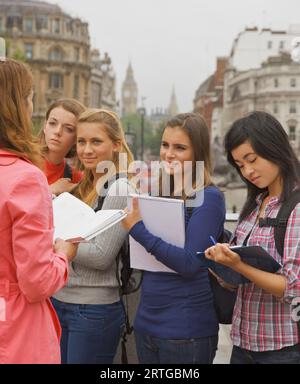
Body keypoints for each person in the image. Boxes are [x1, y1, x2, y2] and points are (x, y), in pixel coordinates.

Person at [122, 113, 226, 364]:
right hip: (147, 323)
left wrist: (138, 230)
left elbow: (191, 264)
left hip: (185, 330)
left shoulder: (208, 197)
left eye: (180, 147)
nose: (168, 154)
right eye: (165, 144)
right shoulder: (159, 194)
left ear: (198, 153)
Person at [205, 111, 300, 364]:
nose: (247, 171)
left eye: (252, 159)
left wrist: (239, 265)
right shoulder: (255, 204)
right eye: (240, 165)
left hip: (283, 348)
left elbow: (291, 287)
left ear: (274, 148)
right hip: (243, 342)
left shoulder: (296, 207)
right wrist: (224, 265)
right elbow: (240, 280)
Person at [0, 58, 77, 364]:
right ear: (19, 106)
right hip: (17, 330)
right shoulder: (26, 178)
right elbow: (37, 282)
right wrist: (63, 255)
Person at [51, 108, 135, 364]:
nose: (86, 149)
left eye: (96, 141)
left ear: (116, 145)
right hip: (60, 300)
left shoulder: (120, 188)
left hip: (92, 309)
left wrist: (55, 244)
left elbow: (101, 256)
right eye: (81, 141)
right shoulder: (83, 185)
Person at [38, 98, 86, 196]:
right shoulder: (22, 160)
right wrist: (51, 189)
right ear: (44, 126)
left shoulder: (75, 177)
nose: (58, 131)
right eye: (52, 123)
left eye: (68, 129)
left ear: (77, 138)